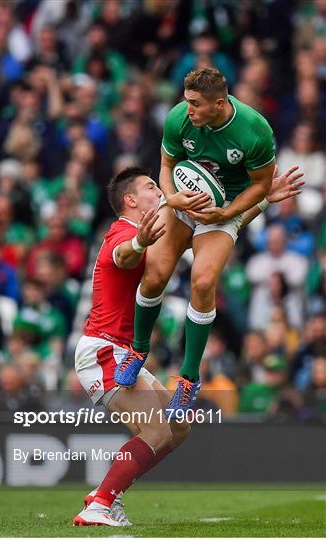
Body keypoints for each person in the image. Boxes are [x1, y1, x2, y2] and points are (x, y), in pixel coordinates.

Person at [114, 67, 303, 418]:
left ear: (219, 103)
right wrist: (172, 198)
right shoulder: (178, 118)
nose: (188, 110)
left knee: (202, 282)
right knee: (154, 274)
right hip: (184, 200)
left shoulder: (254, 129)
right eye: (186, 102)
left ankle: (187, 378)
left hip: (224, 209)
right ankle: (139, 350)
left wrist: (227, 212)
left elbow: (261, 185)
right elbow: (167, 163)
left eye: (196, 105)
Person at [72, 167, 191, 527]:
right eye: (151, 186)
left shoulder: (150, 234)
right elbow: (124, 255)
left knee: (178, 426)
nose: (159, 190)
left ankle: (107, 494)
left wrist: (259, 199)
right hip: (105, 351)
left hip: (122, 353)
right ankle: (100, 505)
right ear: (131, 200)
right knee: (155, 432)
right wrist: (140, 242)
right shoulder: (122, 233)